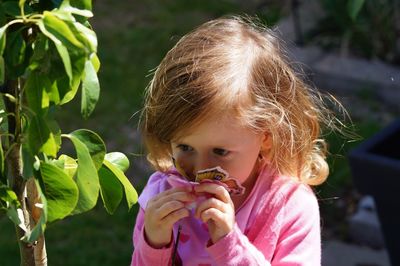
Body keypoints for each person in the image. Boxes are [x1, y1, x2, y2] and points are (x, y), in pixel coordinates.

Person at [131, 16, 342, 265]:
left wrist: (229, 244)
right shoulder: (162, 193)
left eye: (220, 151)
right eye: (185, 147)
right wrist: (154, 242)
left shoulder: (290, 206)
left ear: (265, 136)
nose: (200, 169)